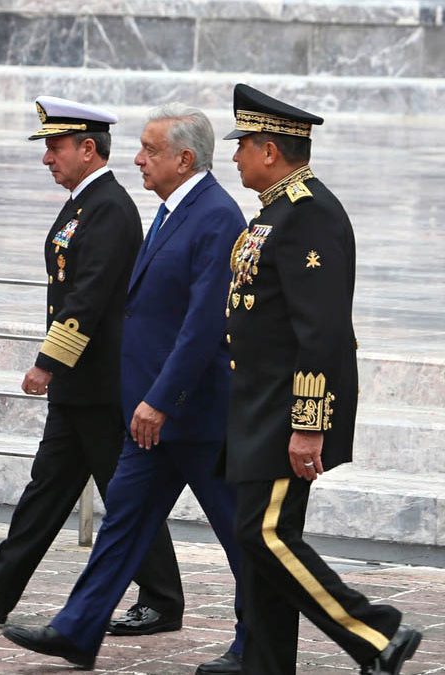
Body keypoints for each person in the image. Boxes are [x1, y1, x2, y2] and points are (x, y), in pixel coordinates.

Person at [1, 103, 248, 675]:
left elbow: (202, 326)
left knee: (243, 536)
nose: (138, 158)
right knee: (122, 526)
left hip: (194, 413)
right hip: (149, 411)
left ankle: (264, 639)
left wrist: (160, 398)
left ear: (185, 159)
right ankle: (77, 628)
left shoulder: (214, 216)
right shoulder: (169, 210)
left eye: (150, 150)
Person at [0, 95, 185, 632]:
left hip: (97, 381)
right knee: (48, 487)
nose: (48, 158)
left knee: (125, 493)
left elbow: (88, 297)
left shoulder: (110, 208)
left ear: (88, 149)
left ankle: (163, 599)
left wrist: (48, 361)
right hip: (81, 385)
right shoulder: (84, 203)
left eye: (55, 147)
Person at [221, 83, 423, 675]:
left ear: (269, 151)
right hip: (256, 403)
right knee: (256, 538)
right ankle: (265, 661)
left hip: (285, 407)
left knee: (268, 536)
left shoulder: (309, 215)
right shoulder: (281, 210)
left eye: (243, 147)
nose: (234, 158)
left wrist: (308, 426)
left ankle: (376, 633)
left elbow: (323, 332)